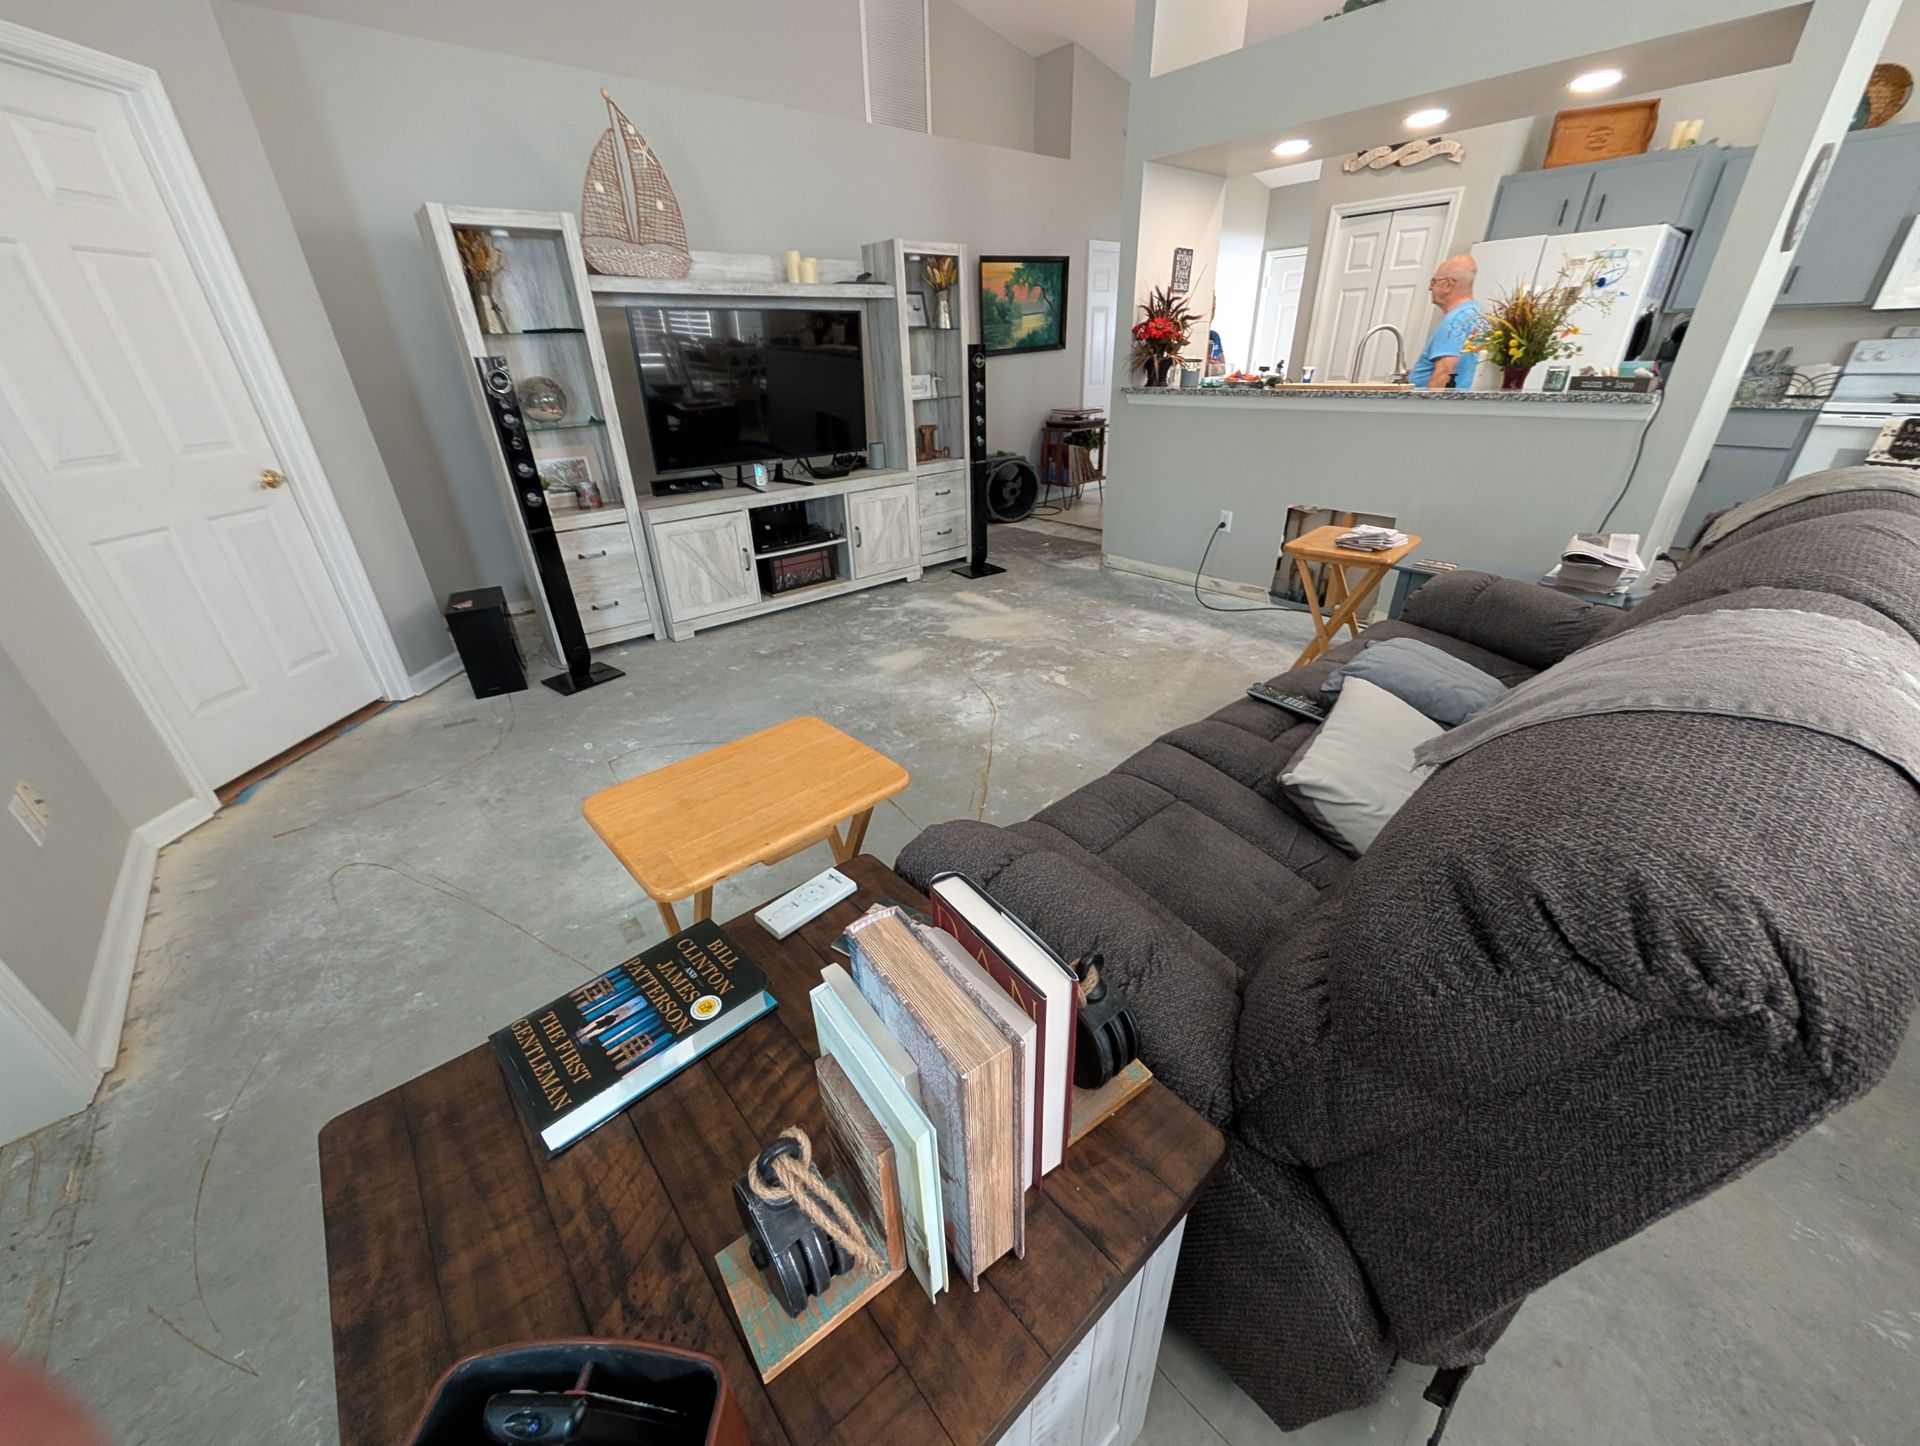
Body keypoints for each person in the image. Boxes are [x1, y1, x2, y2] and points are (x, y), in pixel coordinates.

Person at [1409, 255, 1485, 389]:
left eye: (1433, 282)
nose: (1430, 288)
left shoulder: (1455, 321)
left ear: (1447, 285)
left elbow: (1445, 373)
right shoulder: (1477, 315)